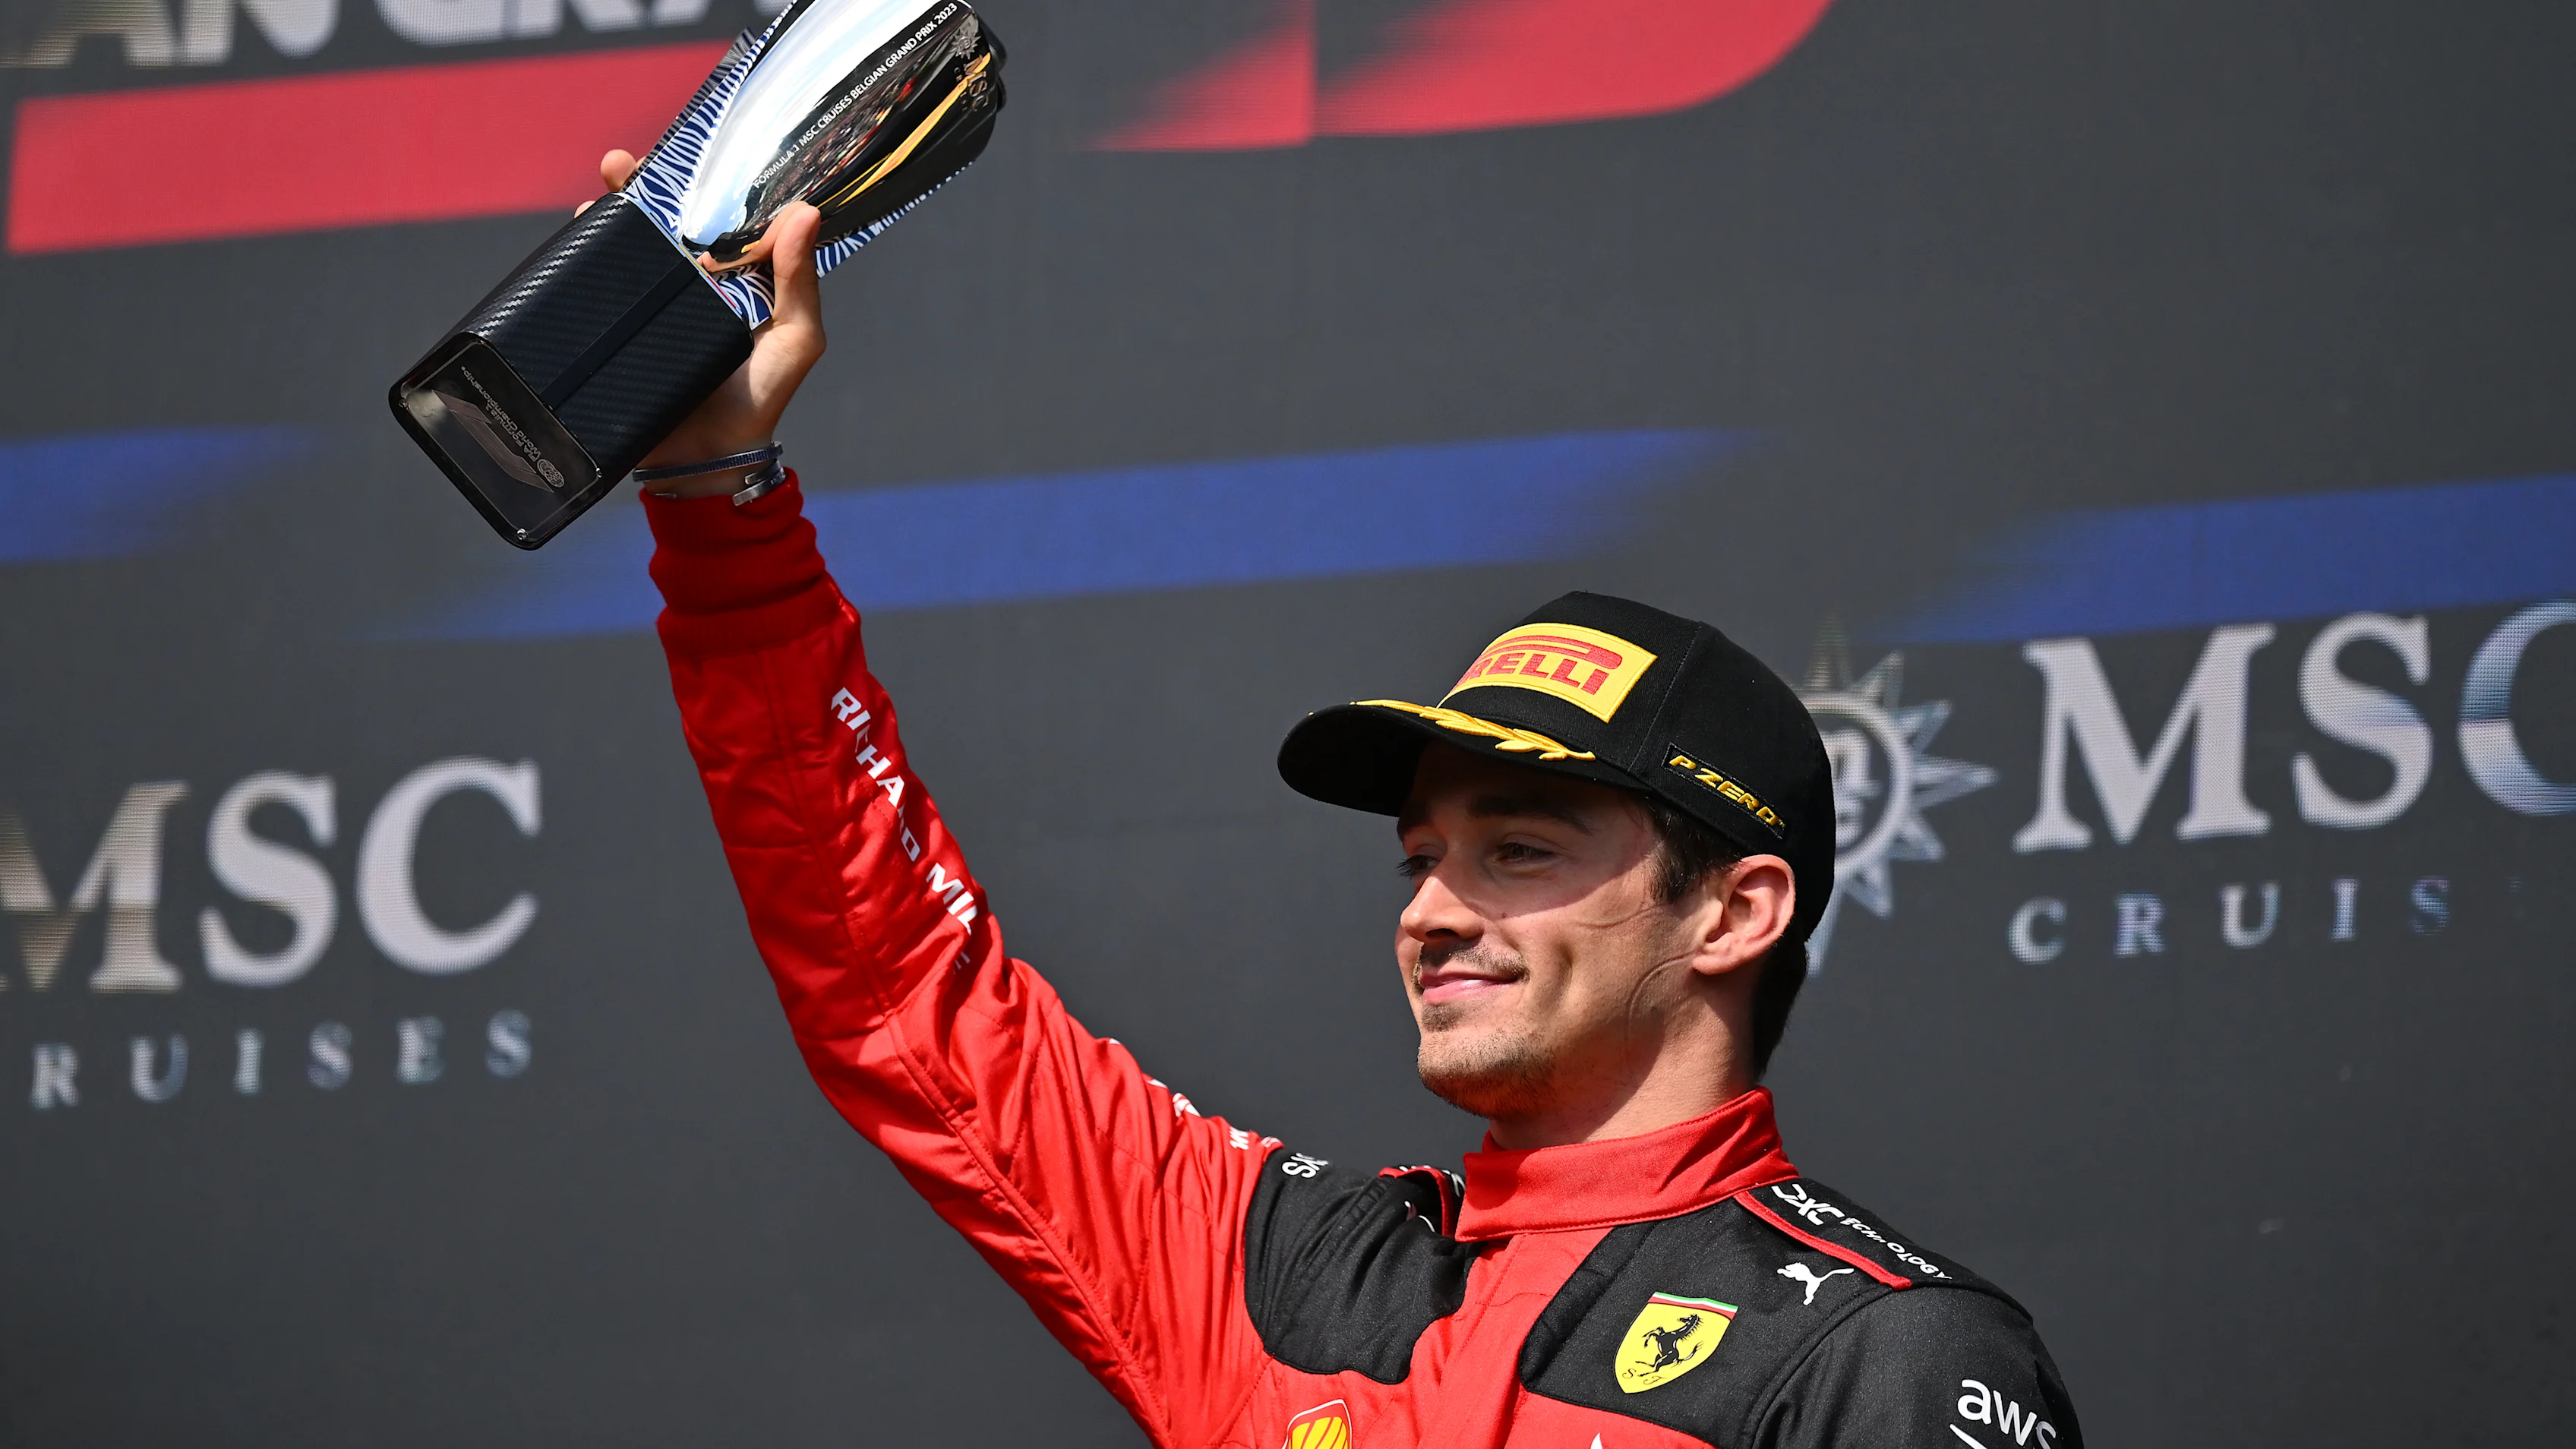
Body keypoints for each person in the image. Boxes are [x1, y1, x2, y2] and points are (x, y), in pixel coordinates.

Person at [609, 153, 2082, 1449]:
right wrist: (717, 495)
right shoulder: (1282, 1266)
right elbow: (900, 993)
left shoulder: (1886, 1353)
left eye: (1518, 852)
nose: (1436, 913)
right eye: (1421, 860)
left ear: (1733, 911)